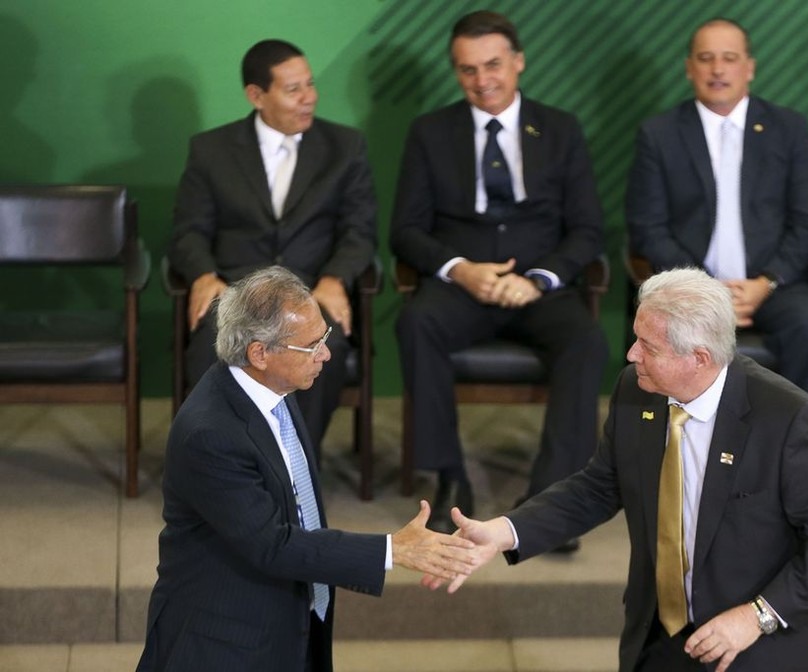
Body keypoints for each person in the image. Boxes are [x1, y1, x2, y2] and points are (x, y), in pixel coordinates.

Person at [434, 268, 808, 671]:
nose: (631, 354)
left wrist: (757, 616)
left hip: (764, 648)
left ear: (698, 357)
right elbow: (600, 487)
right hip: (661, 640)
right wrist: (505, 531)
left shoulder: (786, 421)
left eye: (648, 347)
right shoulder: (637, 390)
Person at [137, 266, 477, 672]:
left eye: (325, 338)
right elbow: (273, 545)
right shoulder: (210, 435)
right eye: (313, 345)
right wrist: (393, 549)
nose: (327, 355)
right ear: (260, 353)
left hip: (293, 620)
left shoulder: (276, 389)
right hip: (225, 643)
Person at [390, 10, 608, 539]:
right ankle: (449, 479)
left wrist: (538, 278)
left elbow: (587, 230)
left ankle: (554, 498)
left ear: (518, 62)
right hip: (462, 288)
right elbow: (406, 231)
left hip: (538, 288)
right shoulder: (430, 132)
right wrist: (460, 270)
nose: (482, 80)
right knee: (416, 323)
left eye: (493, 65)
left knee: (588, 341)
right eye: (467, 69)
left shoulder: (560, 129)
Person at [169, 38, 376, 457]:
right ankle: (217, 468)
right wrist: (204, 275)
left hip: (311, 299)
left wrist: (336, 280)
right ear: (256, 95)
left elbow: (360, 230)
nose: (309, 98)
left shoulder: (345, 147)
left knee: (323, 348)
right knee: (212, 345)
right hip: (236, 299)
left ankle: (297, 466)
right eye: (293, 89)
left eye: (310, 85)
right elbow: (188, 231)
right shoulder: (212, 150)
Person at [625, 18, 808, 406]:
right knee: (663, 338)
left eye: (729, 58)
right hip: (690, 290)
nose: (718, 70)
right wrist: (706, 291)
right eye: (706, 59)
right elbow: (647, 228)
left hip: (771, 286)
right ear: (689, 68)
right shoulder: (660, 134)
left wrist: (765, 283)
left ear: (749, 67)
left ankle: (797, 451)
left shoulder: (788, 129)